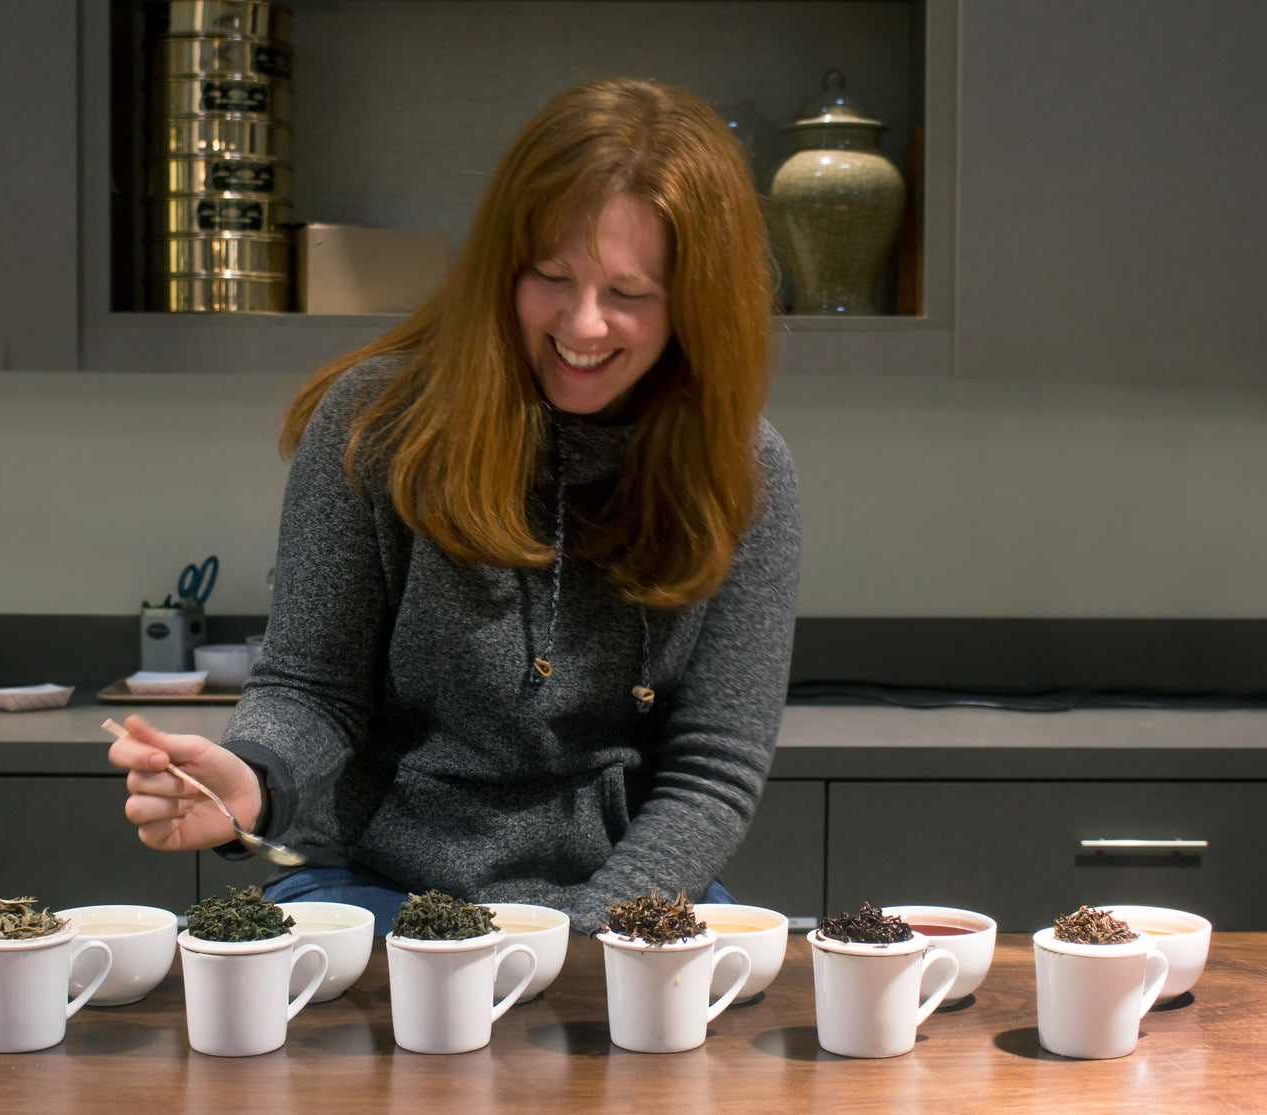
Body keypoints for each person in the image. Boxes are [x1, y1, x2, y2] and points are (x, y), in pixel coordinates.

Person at [109, 77, 800, 935]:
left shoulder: (741, 466)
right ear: (501, 267)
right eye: (552, 275)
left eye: (631, 293)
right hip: (373, 880)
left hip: (621, 895)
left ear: (698, 304)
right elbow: (311, 689)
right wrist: (254, 778)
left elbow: (712, 770)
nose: (584, 326)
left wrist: (589, 935)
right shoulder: (377, 422)